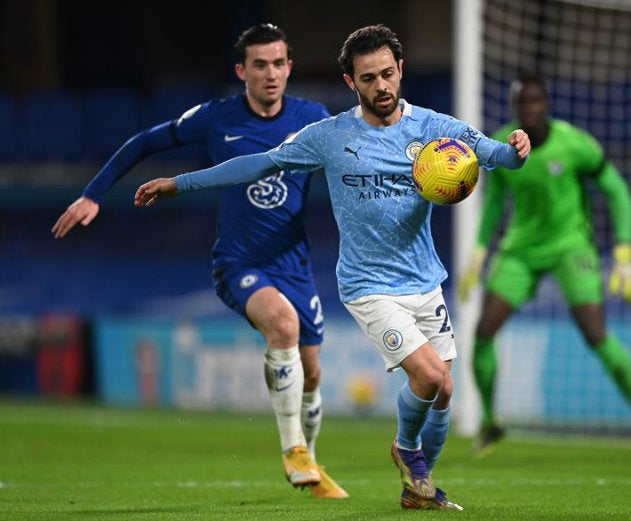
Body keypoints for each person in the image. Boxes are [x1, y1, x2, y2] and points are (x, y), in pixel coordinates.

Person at [133, 24, 531, 511]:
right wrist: (180, 183)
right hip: (369, 286)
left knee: (445, 392)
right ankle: (405, 451)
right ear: (351, 82)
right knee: (427, 379)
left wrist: (515, 148)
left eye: (388, 74)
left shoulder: (433, 128)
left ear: (401, 70)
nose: (381, 86)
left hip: (426, 281)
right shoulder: (328, 136)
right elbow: (258, 164)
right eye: (368, 78)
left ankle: (417, 490)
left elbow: (495, 156)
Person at [51, 23, 348, 499]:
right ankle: (292, 449)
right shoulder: (216, 118)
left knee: (312, 373)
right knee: (283, 326)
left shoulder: (314, 117)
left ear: (289, 68)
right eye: (259, 65)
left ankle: (309, 459)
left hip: (294, 265)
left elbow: (352, 160)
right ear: (241, 70)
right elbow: (144, 142)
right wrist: (94, 194)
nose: (270, 74)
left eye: (278, 64)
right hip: (239, 262)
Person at [458, 74, 631, 459]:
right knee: (484, 329)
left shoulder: (575, 144)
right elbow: (494, 203)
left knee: (595, 333)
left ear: (547, 104)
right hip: (520, 249)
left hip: (570, 247)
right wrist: (478, 253)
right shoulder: (502, 144)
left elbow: (617, 190)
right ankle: (490, 422)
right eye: (523, 103)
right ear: (514, 108)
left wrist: (624, 254)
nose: (531, 110)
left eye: (536, 101)